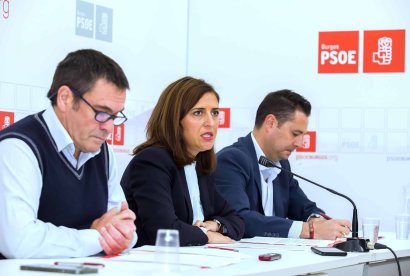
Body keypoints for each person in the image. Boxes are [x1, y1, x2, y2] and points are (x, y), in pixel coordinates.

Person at [0, 49, 137, 259]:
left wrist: (123, 236)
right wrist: (96, 237)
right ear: (65, 98)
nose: (109, 128)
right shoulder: (18, 146)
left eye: (115, 116)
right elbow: (19, 242)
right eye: (101, 113)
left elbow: (121, 227)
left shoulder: (103, 153)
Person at [121, 76, 244, 246]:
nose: (210, 122)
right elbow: (163, 230)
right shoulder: (152, 162)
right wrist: (206, 236)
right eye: (198, 113)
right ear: (175, 120)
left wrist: (215, 225)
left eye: (215, 113)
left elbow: (236, 220)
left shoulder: (199, 165)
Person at [214, 90, 351, 240]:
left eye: (303, 136)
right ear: (270, 123)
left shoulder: (282, 164)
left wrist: (316, 220)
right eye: (295, 133)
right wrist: (309, 230)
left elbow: (305, 208)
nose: (300, 143)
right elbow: (238, 219)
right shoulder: (231, 160)